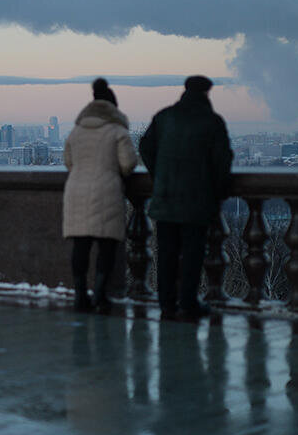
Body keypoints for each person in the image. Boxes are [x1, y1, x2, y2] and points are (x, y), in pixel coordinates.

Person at [139, 76, 233, 320]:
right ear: (206, 94)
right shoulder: (211, 122)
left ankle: (166, 303)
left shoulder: (164, 117)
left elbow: (146, 147)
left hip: (166, 197)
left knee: (167, 253)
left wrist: (159, 175)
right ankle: (188, 302)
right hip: (197, 200)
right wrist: (218, 191)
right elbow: (222, 161)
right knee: (192, 253)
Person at [63, 78, 138, 312]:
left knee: (81, 246)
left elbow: (69, 162)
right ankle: (100, 295)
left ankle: (79, 296)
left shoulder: (76, 131)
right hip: (106, 190)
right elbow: (128, 164)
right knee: (106, 247)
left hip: (75, 191)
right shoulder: (117, 130)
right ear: (113, 108)